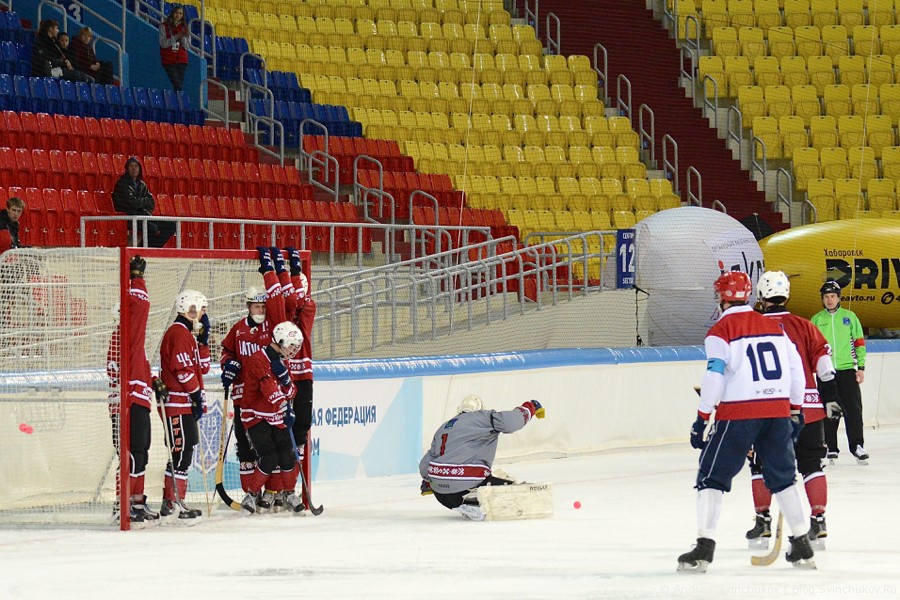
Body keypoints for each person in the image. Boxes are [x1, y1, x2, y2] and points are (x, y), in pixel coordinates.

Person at [677, 271, 814, 572]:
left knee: (711, 477)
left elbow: (714, 375)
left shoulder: (720, 330)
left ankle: (704, 547)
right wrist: (795, 410)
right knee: (784, 478)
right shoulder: (775, 327)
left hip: (739, 414)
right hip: (777, 412)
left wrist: (702, 417)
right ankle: (802, 543)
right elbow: (795, 371)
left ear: (723, 297)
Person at [744, 271, 843, 547]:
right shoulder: (804, 325)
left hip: (765, 408)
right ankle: (819, 521)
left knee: (760, 464)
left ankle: (763, 522)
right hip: (808, 408)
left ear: (761, 297)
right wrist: (832, 397)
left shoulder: (750, 326)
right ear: (787, 294)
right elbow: (824, 366)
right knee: (812, 464)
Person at [220, 248, 298, 499]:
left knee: (274, 447)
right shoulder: (238, 329)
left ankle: (273, 491)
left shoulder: (273, 328)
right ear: (248, 306)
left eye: (263, 305)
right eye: (256, 306)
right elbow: (226, 352)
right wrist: (228, 365)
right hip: (245, 397)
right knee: (246, 446)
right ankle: (250, 493)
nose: (260, 309)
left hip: (270, 398)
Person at [419, 394, 545, 521]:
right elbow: (509, 422)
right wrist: (530, 407)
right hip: (464, 487)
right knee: (512, 490)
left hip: (442, 496)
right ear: (480, 408)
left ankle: (466, 503)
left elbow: (425, 465)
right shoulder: (483, 417)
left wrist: (430, 481)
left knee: (492, 478)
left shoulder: (443, 428)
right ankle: (474, 501)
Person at [105, 256, 161, 527]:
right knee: (130, 454)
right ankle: (122, 503)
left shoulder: (131, 342)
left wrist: (152, 380)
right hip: (125, 405)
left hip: (137, 400)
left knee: (141, 453)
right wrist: (136, 278)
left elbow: (136, 366)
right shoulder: (121, 335)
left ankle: (136, 501)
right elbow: (141, 305)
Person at [238, 296, 306, 515]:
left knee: (288, 454)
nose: (294, 350)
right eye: (292, 346)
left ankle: (289, 492)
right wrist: (285, 406)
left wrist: (286, 383)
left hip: (274, 415)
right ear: (280, 342)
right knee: (269, 457)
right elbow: (269, 390)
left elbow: (291, 391)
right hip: (254, 415)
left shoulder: (280, 362)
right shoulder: (258, 359)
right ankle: (252, 494)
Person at [158, 288, 210, 524]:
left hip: (185, 404)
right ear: (190, 308)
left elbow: (203, 368)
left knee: (186, 450)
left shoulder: (187, 334)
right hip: (177, 404)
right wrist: (197, 395)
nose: (203, 314)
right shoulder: (178, 333)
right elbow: (182, 370)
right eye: (201, 309)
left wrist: (204, 341)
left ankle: (177, 500)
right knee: (180, 451)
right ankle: (171, 502)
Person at [811, 280, 869, 464]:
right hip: (826, 371)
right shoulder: (816, 320)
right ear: (822, 299)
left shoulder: (850, 317)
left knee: (853, 409)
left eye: (833, 296)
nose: (830, 300)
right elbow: (810, 347)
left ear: (839, 298)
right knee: (830, 410)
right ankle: (831, 448)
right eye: (826, 297)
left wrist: (860, 368)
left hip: (846, 370)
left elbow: (859, 343)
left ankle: (857, 446)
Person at [284, 247, 316, 498]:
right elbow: (288, 301)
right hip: (283, 375)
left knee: (301, 428)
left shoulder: (308, 307)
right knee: (279, 430)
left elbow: (297, 301)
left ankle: (292, 485)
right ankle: (278, 487)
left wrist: (294, 273)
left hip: (303, 376)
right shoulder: (282, 309)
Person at [112, 157, 175, 248]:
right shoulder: (122, 184)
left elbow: (151, 202)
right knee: (152, 228)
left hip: (142, 215)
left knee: (171, 225)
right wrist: (144, 202)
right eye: (131, 166)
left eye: (136, 166)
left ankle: (150, 247)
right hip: (128, 217)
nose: (134, 168)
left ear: (140, 168)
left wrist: (141, 204)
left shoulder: (142, 184)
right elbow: (132, 203)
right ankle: (143, 248)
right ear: (127, 168)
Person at [31, 19, 94, 83]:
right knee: (78, 76)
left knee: (90, 79)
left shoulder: (54, 42)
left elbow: (61, 55)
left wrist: (66, 61)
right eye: (56, 28)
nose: (58, 31)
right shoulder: (42, 42)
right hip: (51, 69)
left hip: (60, 68)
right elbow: (46, 58)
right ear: (51, 29)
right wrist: (63, 63)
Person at [159, 5, 190, 91]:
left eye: (180, 13)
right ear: (172, 13)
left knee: (178, 86)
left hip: (182, 60)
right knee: (177, 85)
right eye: (176, 12)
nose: (178, 15)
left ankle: (177, 102)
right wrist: (176, 37)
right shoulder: (164, 26)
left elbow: (187, 47)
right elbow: (163, 43)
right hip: (169, 60)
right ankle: (178, 102)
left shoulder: (184, 27)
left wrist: (183, 37)